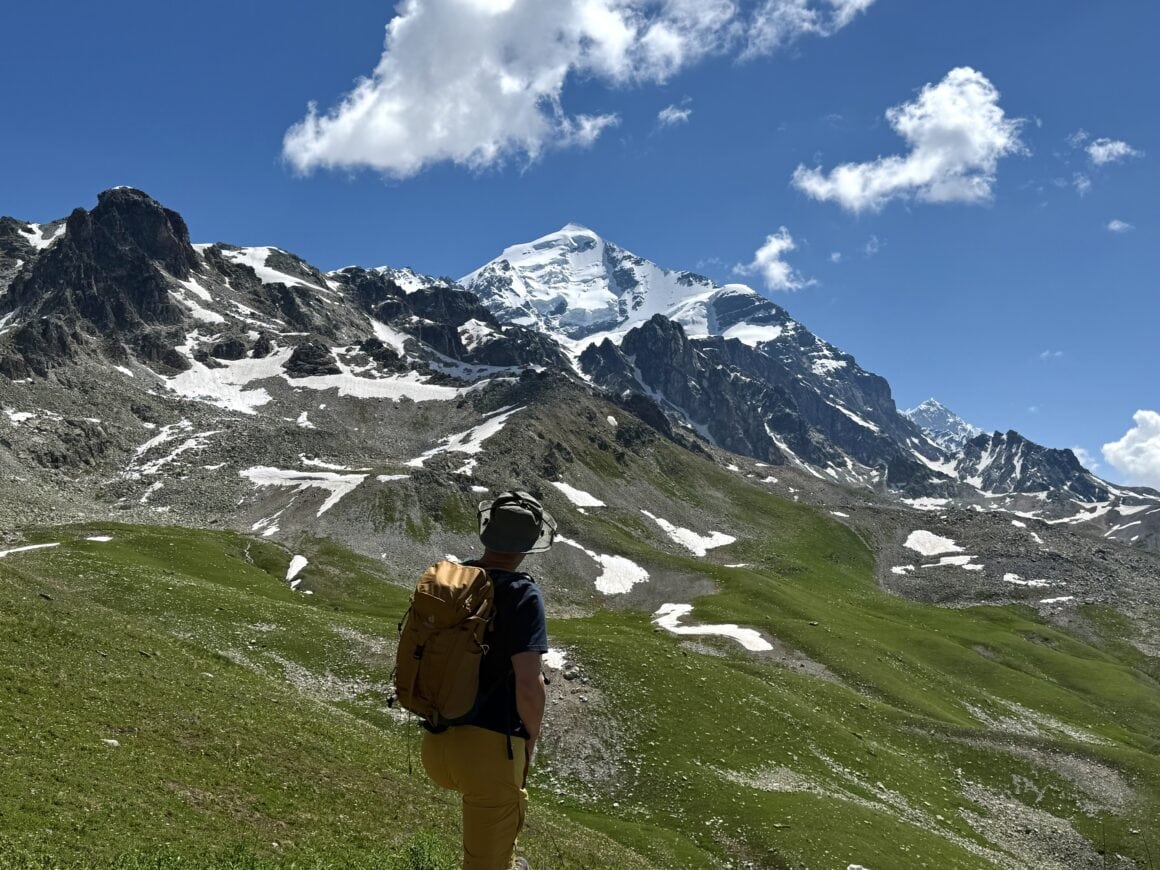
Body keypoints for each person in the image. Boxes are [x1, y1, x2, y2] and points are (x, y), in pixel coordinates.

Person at [421, 491, 556, 870]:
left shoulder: (454, 581)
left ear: (486, 531)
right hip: (490, 755)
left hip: (437, 742)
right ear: (530, 543)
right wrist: (530, 738)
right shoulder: (522, 594)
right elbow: (529, 684)